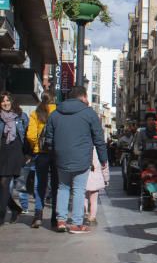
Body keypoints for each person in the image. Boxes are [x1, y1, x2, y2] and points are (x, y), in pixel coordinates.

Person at [43, 85, 109, 233]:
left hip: (61, 158)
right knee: (79, 190)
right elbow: (99, 138)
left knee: (63, 187)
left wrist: (55, 153)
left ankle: (61, 220)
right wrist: (103, 159)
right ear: (84, 97)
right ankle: (77, 223)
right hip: (82, 157)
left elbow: (49, 139)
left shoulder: (55, 113)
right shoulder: (89, 113)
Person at [26, 92, 57, 228]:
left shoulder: (35, 113)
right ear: (54, 99)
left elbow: (31, 136)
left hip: (41, 153)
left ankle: (38, 215)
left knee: (40, 184)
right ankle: (55, 218)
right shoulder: (58, 112)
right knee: (56, 184)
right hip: (56, 153)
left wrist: (36, 145)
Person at [0, 92, 28, 224]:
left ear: (12, 101)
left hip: (15, 152)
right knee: (2, 186)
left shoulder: (21, 116)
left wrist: (28, 154)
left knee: (5, 183)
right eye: (3, 101)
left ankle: (1, 215)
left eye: (7, 100)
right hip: (2, 152)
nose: (5, 103)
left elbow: (27, 136)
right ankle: (15, 208)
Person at [84, 147, 107, 225]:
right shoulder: (99, 149)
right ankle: (92, 218)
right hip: (96, 178)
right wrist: (106, 179)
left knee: (84, 198)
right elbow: (105, 166)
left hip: (84, 176)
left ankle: (85, 214)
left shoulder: (82, 146)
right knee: (94, 200)